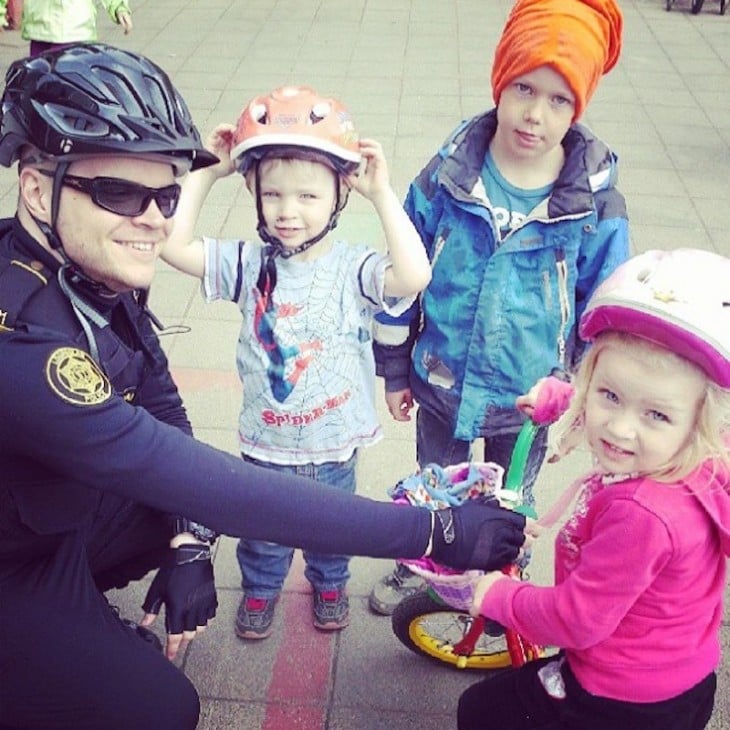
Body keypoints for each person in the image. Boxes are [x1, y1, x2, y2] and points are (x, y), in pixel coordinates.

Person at [0, 43, 531, 730]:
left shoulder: (80, 268)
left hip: (41, 522)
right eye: (118, 191)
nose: (154, 218)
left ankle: (81, 614)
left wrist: (189, 540)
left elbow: (162, 407)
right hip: (14, 564)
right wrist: (435, 530)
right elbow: (209, 481)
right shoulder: (23, 343)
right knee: (164, 708)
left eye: (165, 191)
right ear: (38, 188)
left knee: (182, 510)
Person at [368, 0, 630, 616]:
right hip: (442, 380)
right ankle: (428, 563)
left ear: (580, 105)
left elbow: (605, 312)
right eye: (523, 88)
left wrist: (584, 393)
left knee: (513, 496)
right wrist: (395, 368)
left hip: (529, 395)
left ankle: (507, 568)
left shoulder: (595, 204)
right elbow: (402, 277)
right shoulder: (446, 176)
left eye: (559, 100)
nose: (536, 114)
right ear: (500, 80)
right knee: (439, 485)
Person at [159, 85, 432, 639]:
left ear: (338, 195)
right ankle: (260, 591)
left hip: (335, 441)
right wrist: (206, 174)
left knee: (333, 529)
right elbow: (171, 242)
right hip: (267, 443)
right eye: (272, 195)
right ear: (254, 194)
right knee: (261, 536)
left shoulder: (354, 269)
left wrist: (384, 197)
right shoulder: (246, 264)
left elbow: (415, 275)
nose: (288, 212)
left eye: (307, 197)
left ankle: (330, 583)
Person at [458, 248, 730, 730]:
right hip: (681, 674)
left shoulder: (643, 515)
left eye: (656, 415)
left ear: (697, 422)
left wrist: (499, 596)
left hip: (617, 698)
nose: (620, 430)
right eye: (609, 396)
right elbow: (622, 390)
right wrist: (563, 401)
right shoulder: (704, 451)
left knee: (481, 712)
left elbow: (576, 618)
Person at [0, 0, 132, 57]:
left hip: (75, 30)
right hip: (40, 30)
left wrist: (118, 7)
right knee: (40, 91)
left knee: (70, 93)